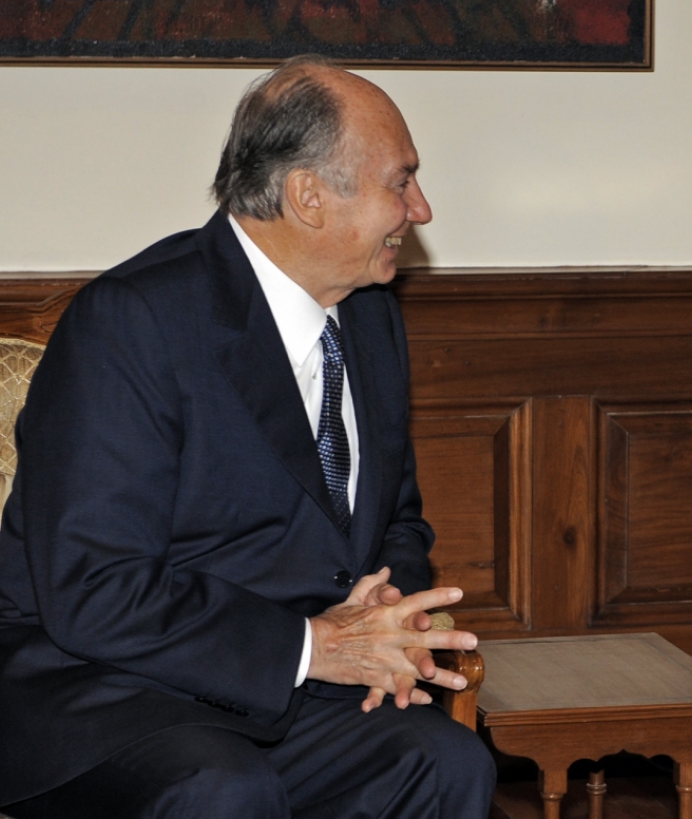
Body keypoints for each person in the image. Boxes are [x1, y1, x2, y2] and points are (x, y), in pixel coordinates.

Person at [0, 56, 496, 818]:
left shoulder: (368, 315)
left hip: (290, 689)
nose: (421, 209)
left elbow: (397, 517)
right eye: (400, 181)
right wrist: (313, 646)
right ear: (308, 197)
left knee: (446, 762)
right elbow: (94, 591)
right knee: (224, 790)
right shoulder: (135, 322)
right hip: (113, 691)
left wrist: (383, 611)